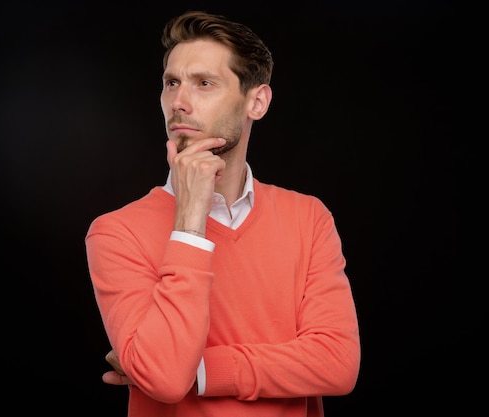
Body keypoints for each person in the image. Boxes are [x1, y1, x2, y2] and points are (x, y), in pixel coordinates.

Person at [84, 10, 360, 417]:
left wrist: (201, 370)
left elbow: (338, 364)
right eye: (171, 83)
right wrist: (190, 221)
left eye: (204, 83)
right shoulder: (115, 232)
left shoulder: (309, 218)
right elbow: (164, 379)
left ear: (257, 102)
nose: (179, 102)